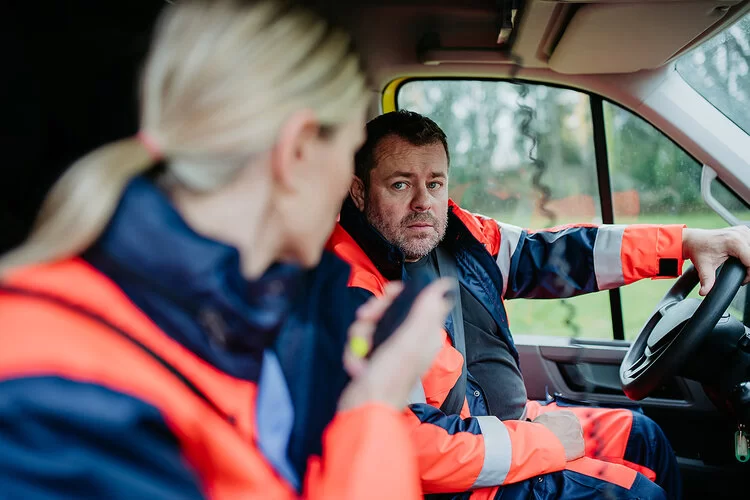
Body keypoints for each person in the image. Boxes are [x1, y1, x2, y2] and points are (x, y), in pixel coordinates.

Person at [0, 3, 454, 499]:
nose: (345, 190)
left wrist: (367, 388)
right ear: (298, 149)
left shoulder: (243, 320)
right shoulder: (55, 398)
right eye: (345, 154)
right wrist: (377, 410)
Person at [326, 109, 750, 500]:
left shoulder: (458, 237)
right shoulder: (350, 295)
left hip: (508, 426)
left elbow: (558, 254)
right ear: (360, 192)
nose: (423, 202)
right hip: (456, 477)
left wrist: (684, 244)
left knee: (644, 436)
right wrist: (542, 444)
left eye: (434, 183)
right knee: (639, 495)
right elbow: (410, 446)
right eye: (401, 184)